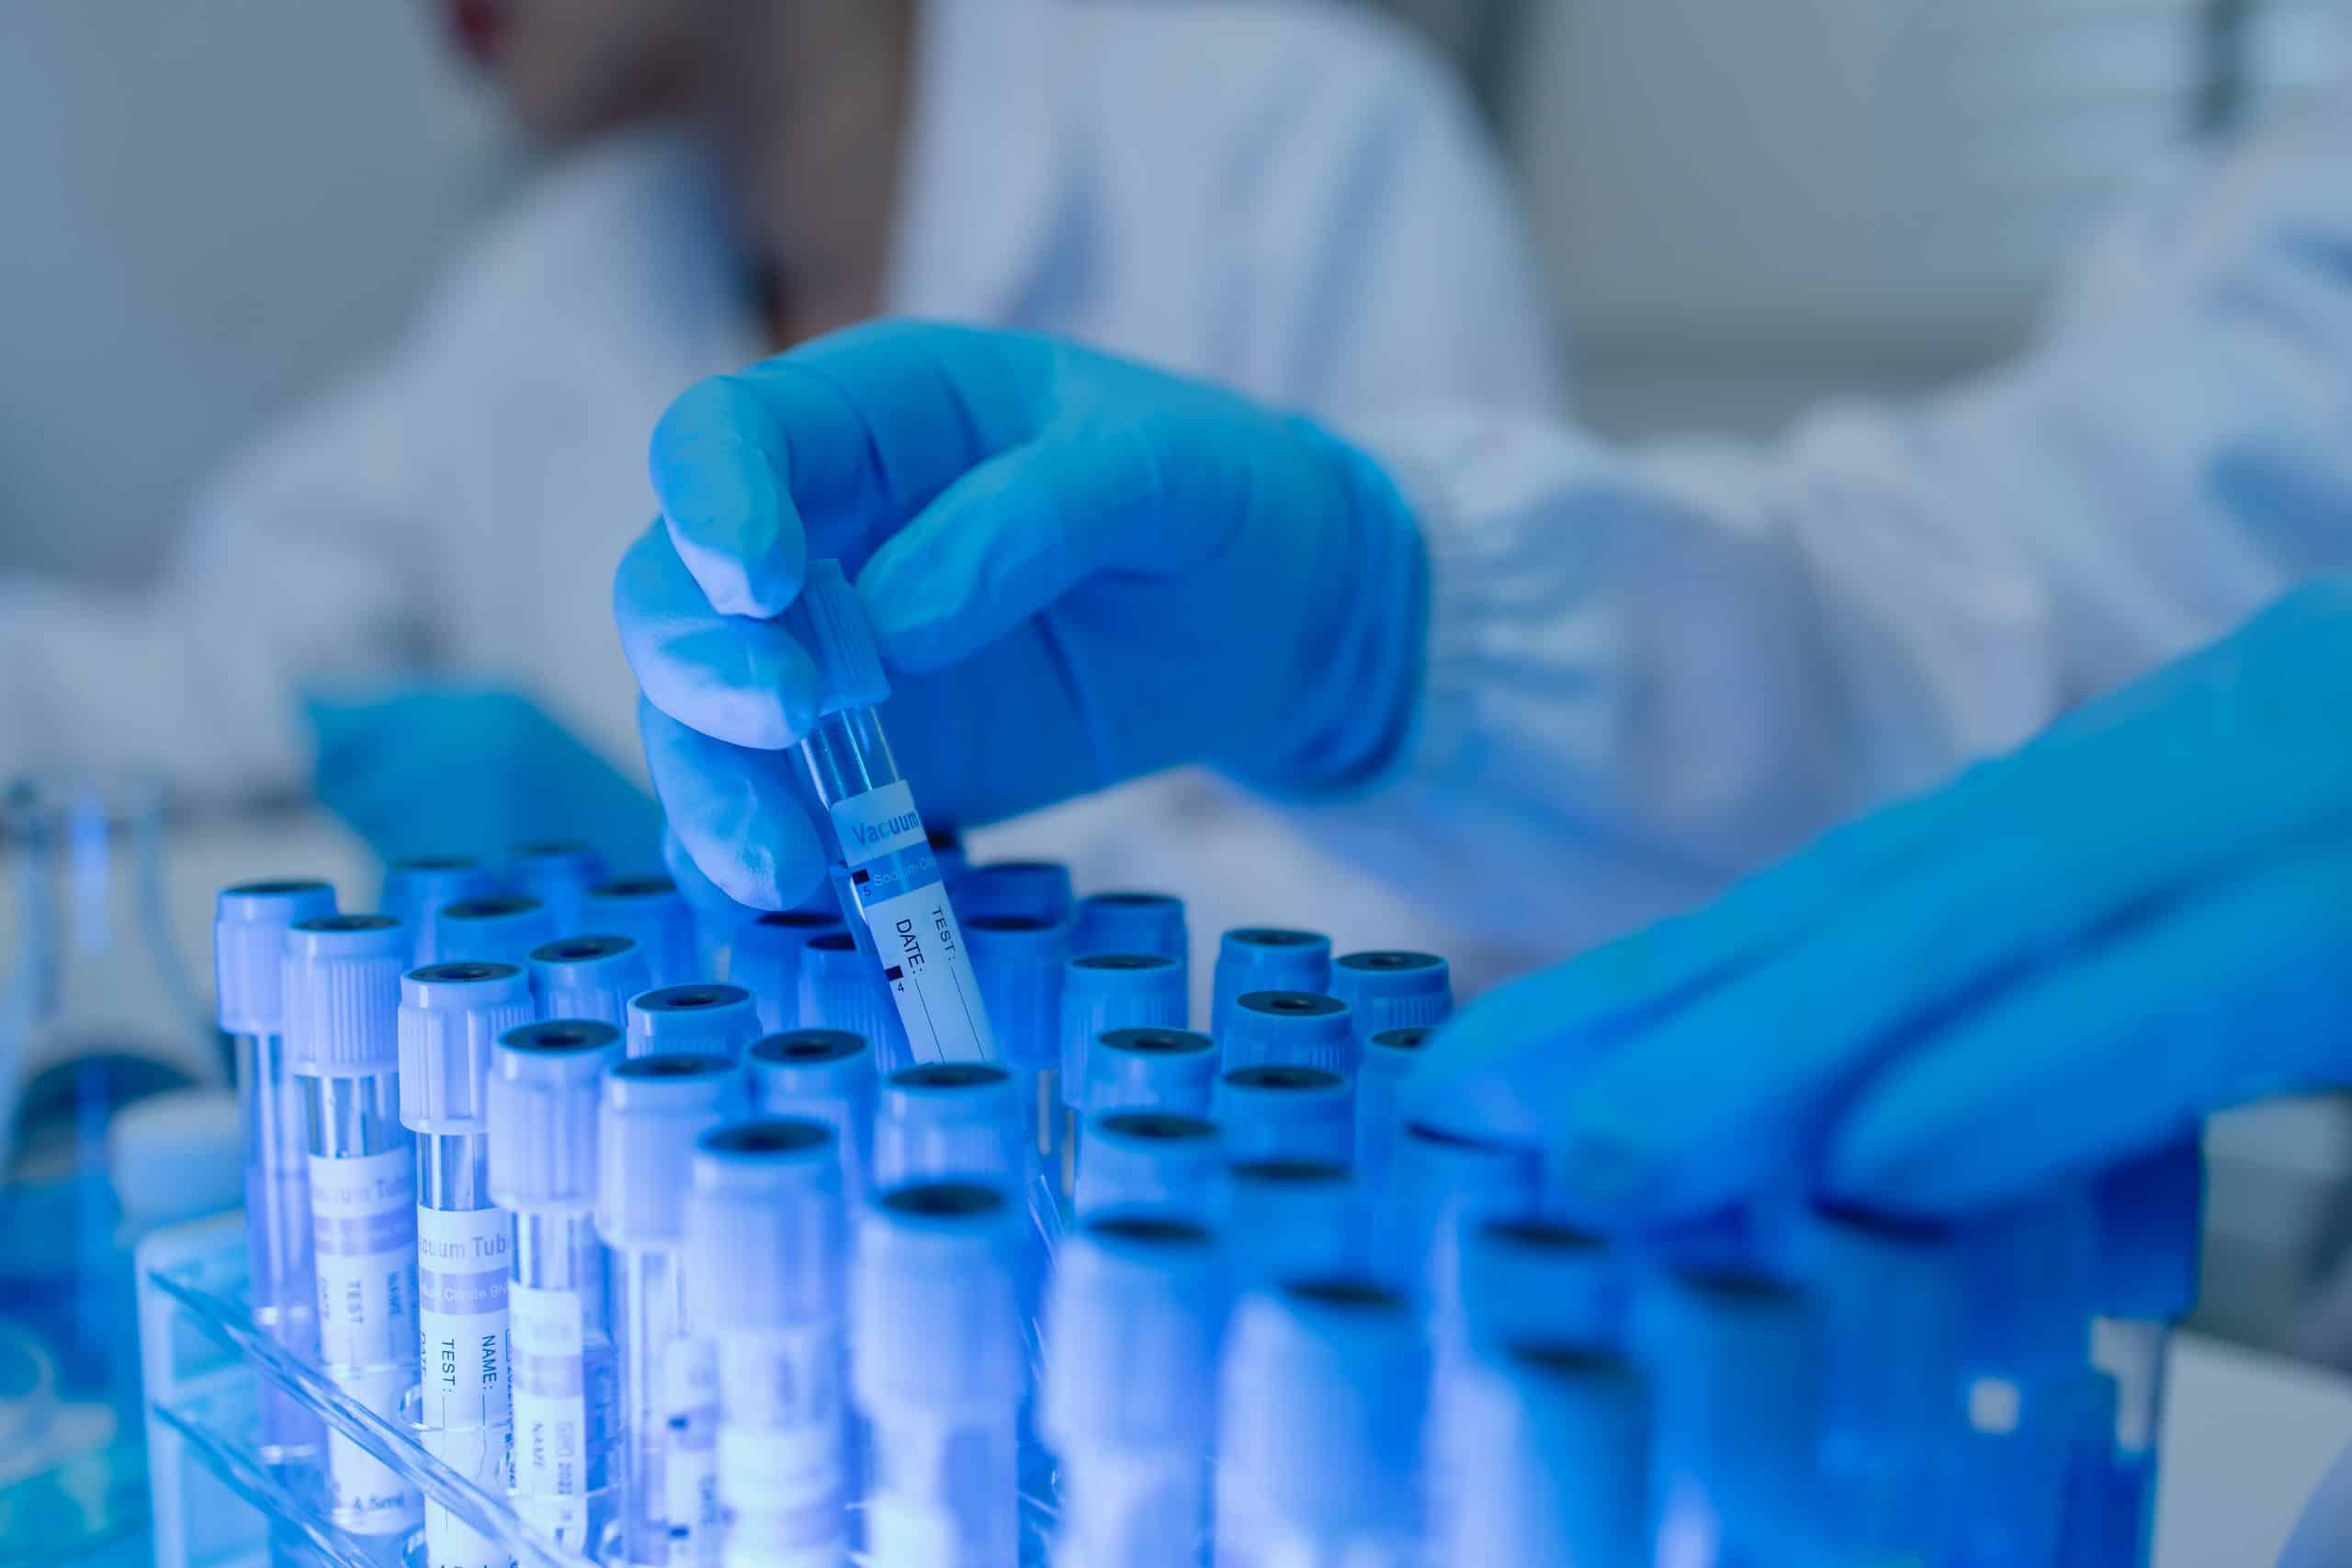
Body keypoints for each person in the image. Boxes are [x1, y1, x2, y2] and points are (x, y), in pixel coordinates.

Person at [0, 0, 1556, 957]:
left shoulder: (1299, 152)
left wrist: (781, 916)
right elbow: (216, 675)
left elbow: (1474, 921)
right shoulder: (554, 284)